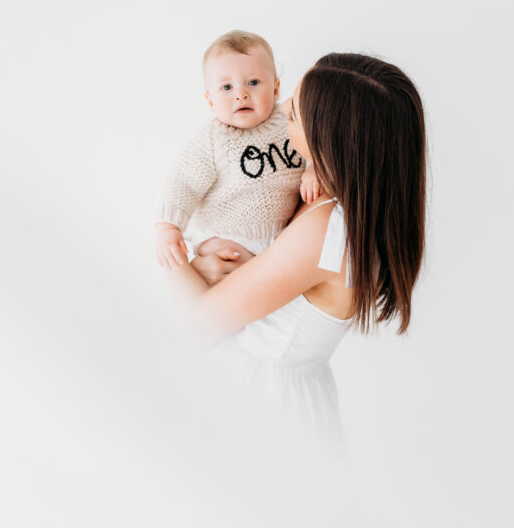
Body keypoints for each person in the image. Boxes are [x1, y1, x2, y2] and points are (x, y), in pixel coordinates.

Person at [164, 53, 427, 449]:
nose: (282, 108)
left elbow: (204, 324)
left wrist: (175, 257)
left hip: (266, 408)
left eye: (294, 115)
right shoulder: (345, 197)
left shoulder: (326, 231)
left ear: (330, 142)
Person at [153, 30, 321, 270]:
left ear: (275, 90)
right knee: (221, 263)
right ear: (210, 101)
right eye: (226, 87)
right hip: (226, 234)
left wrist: (316, 168)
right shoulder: (213, 138)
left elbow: (318, 145)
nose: (241, 94)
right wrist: (167, 227)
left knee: (296, 263)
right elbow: (183, 182)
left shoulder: (289, 119)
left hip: (281, 234)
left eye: (253, 83)